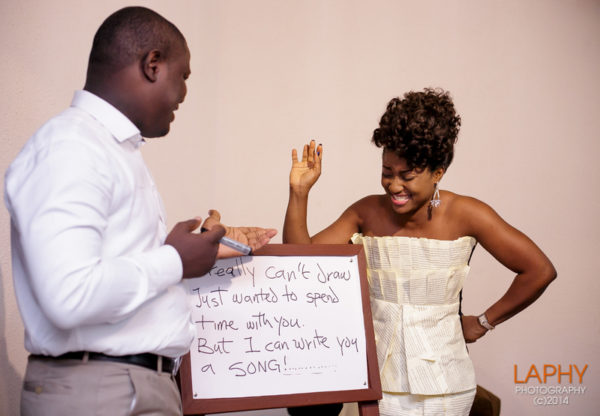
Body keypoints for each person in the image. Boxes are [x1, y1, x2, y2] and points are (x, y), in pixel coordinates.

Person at [4, 6, 276, 415]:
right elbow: (68, 295)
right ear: (153, 64)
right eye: (183, 76)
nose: (184, 94)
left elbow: (105, 269)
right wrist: (174, 260)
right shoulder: (71, 147)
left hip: (128, 386)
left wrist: (195, 251)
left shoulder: (111, 150)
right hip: (103, 391)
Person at [283, 88, 556, 415]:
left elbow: (539, 270)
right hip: (378, 384)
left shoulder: (467, 213)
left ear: (437, 172)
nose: (394, 186)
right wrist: (299, 194)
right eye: (387, 172)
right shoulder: (366, 212)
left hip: (446, 386)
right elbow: (300, 261)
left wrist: (483, 322)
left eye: (407, 176)